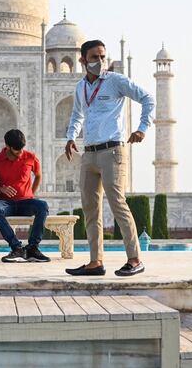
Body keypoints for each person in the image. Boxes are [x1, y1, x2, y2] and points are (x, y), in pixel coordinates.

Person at [64, 39, 155, 277]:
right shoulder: (81, 87)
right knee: (90, 209)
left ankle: (134, 259)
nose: (100, 62)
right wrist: (70, 136)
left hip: (112, 150)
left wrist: (142, 127)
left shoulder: (116, 81)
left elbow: (148, 98)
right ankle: (95, 262)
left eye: (103, 57)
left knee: (117, 204)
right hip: (90, 153)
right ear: (83, 60)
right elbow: (77, 115)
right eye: (94, 57)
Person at [0, 129, 50, 263]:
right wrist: (1, 189)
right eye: (17, 150)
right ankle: (17, 248)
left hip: (26, 202)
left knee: (43, 206)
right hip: (6, 204)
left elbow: (38, 176)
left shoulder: (30, 157)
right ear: (8, 146)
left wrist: (31, 193)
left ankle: (33, 248)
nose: (20, 153)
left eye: (22, 149)